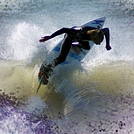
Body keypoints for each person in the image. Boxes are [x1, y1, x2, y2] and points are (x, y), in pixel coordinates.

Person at [38, 25, 112, 84]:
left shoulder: (98, 32)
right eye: (98, 42)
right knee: (62, 58)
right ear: (93, 37)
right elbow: (64, 29)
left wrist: (107, 44)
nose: (99, 44)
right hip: (70, 37)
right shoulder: (79, 32)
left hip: (80, 39)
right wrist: (50, 36)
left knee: (87, 47)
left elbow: (107, 30)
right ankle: (44, 71)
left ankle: (74, 45)